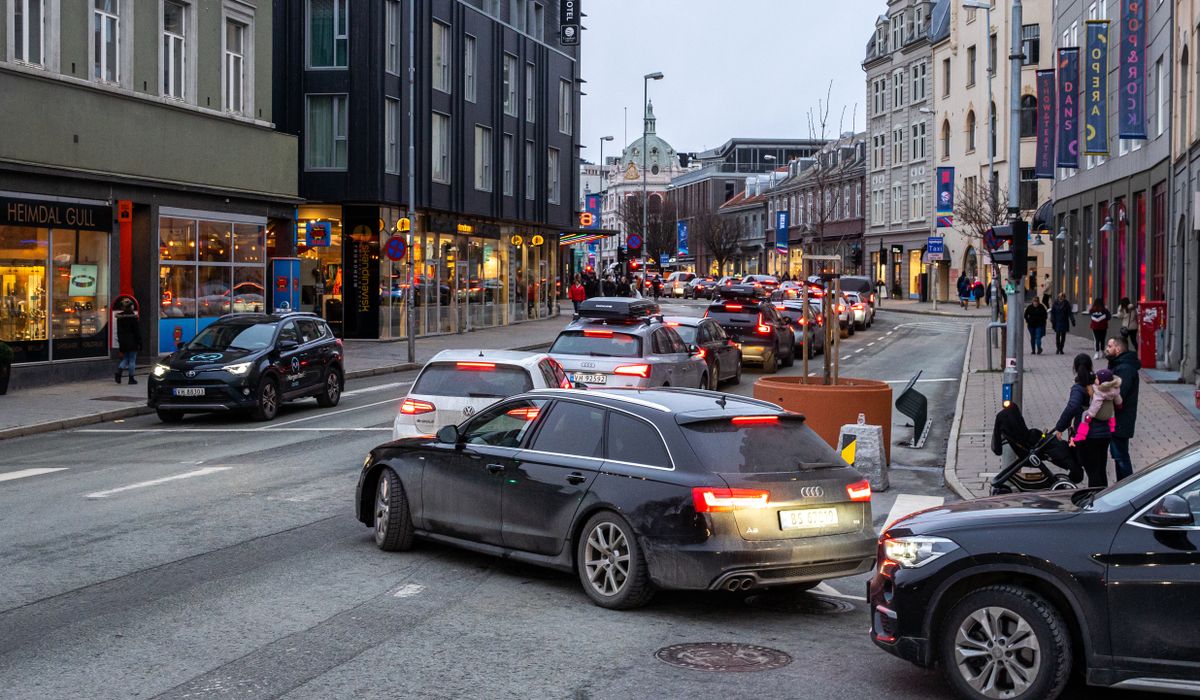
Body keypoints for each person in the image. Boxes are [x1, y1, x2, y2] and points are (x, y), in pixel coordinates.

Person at [1054, 353, 1111, 487]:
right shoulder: (1099, 382)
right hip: (1105, 433)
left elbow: (1073, 406)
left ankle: (1096, 496)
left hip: (1088, 435)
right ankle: (1105, 494)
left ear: (1075, 368)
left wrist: (1060, 427)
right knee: (1100, 469)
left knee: (1092, 470)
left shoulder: (1079, 387)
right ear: (1091, 366)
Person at [1105, 336, 1141, 481]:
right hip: (1118, 418)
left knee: (1120, 456)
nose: (1106, 349)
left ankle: (1128, 486)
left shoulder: (1124, 369)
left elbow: (1120, 394)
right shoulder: (1119, 365)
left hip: (1121, 419)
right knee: (1118, 455)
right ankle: (1123, 485)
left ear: (1118, 349)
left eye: (1110, 346)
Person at [1073, 368, 1122, 441]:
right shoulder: (1115, 389)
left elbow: (1096, 404)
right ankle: (1112, 427)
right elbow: (1118, 399)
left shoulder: (1099, 391)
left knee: (1084, 414)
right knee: (1112, 410)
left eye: (1096, 378)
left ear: (1102, 382)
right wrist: (1119, 405)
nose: (1095, 379)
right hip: (1109, 414)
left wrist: (1090, 415)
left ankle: (1081, 434)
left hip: (1099, 415)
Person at [114, 299, 141, 385]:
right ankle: (131, 378)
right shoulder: (133, 318)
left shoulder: (120, 318)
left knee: (125, 358)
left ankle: (119, 374)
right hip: (133, 341)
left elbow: (119, 331)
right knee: (132, 360)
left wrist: (120, 342)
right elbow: (137, 332)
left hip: (123, 342)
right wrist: (140, 342)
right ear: (131, 307)